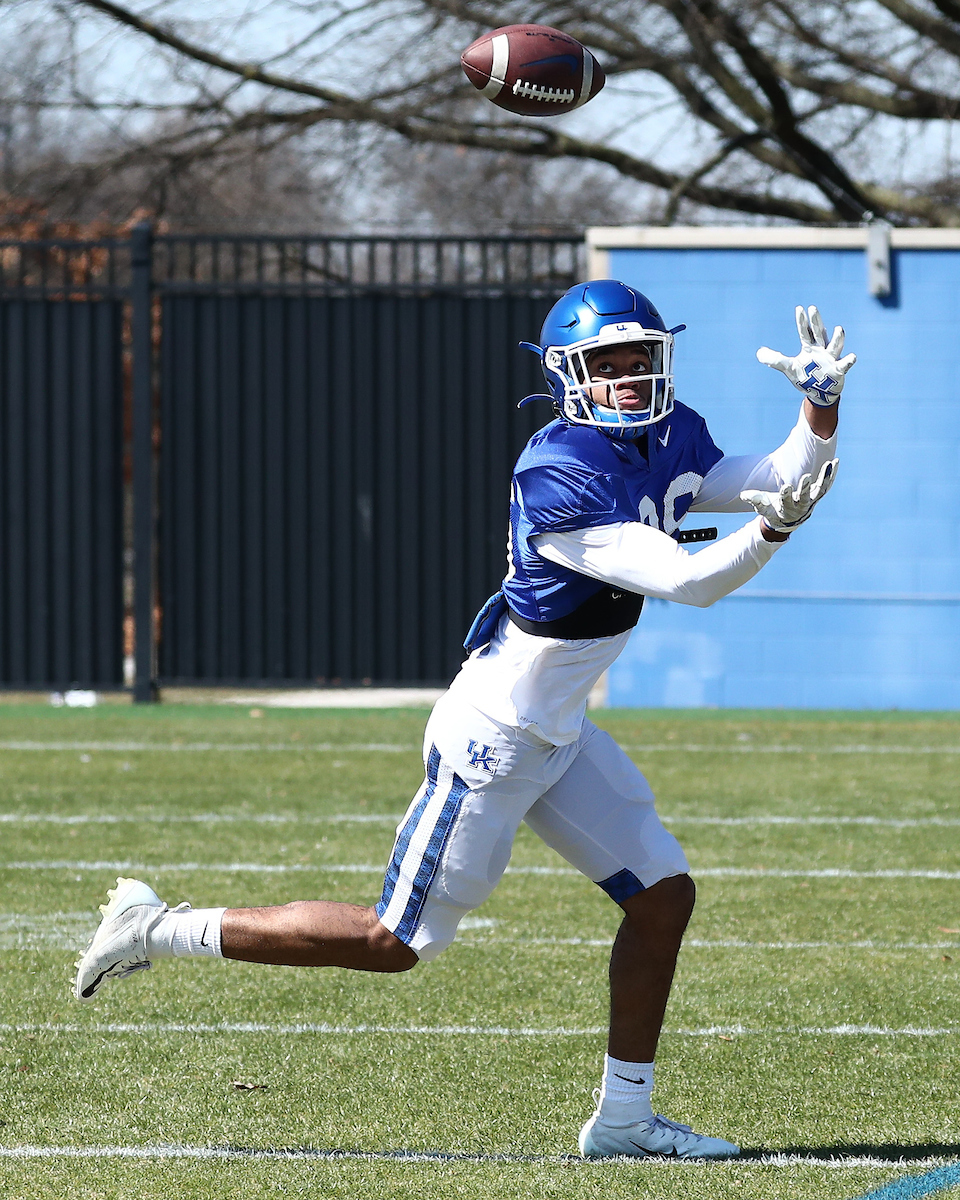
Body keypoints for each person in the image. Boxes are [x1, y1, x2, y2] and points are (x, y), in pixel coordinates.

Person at [74, 280, 854, 1160]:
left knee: (664, 896)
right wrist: (775, 532)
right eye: (610, 363)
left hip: (559, 732)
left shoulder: (671, 432)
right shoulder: (558, 469)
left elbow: (782, 478)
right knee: (395, 942)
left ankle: (625, 1122)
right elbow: (692, 579)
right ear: (568, 375)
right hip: (496, 736)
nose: (631, 378)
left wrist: (818, 407)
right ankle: (154, 928)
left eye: (642, 359)